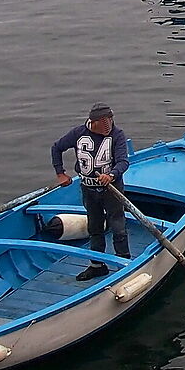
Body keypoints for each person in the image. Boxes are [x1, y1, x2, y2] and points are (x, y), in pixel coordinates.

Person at [51, 102, 133, 279]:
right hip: (88, 189)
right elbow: (56, 148)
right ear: (93, 121)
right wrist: (61, 173)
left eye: (110, 120)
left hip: (111, 190)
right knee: (94, 226)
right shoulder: (78, 133)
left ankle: (123, 262)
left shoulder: (117, 135)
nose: (108, 125)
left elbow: (123, 161)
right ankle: (97, 265)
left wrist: (111, 174)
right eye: (104, 121)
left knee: (118, 225)